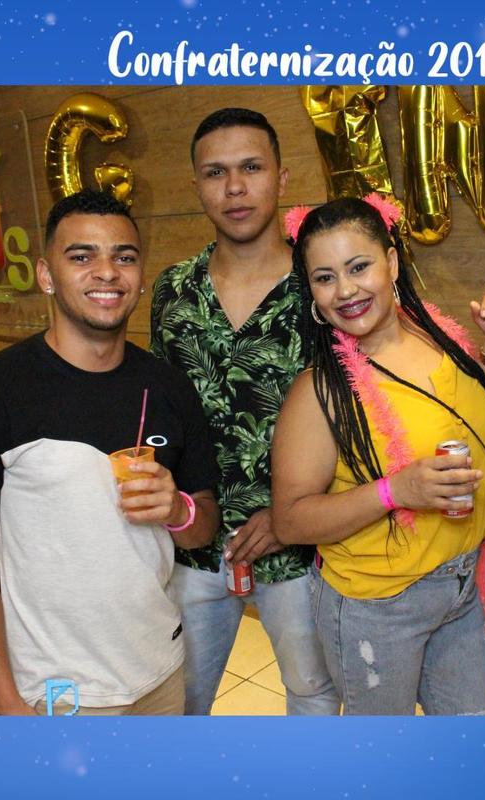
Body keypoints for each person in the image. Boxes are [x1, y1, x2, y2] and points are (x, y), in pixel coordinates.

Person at [0, 190, 220, 715]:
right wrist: (0, 697)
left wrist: (178, 510)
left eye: (124, 257)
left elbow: (203, 526)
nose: (106, 272)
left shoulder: (168, 388)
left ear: (140, 276)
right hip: (58, 688)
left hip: (160, 667)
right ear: (46, 275)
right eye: (82, 256)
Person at [270, 195, 485, 715]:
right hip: (375, 607)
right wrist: (395, 491)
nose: (346, 290)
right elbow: (289, 521)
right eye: (325, 277)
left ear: (393, 263)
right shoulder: (319, 391)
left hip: (460, 586)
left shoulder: (443, 340)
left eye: (359, 267)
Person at [149, 108, 339, 715]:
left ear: (281, 177)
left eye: (251, 168)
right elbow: (161, 415)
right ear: (197, 186)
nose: (234, 187)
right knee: (179, 699)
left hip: (299, 546)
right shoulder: (173, 291)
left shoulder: (324, 286)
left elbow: (361, 409)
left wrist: (292, 515)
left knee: (312, 694)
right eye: (216, 173)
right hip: (193, 542)